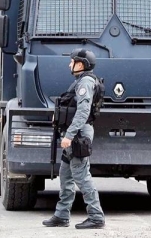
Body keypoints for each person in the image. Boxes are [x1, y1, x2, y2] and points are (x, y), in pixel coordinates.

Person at [43, 48, 105, 229]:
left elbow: (83, 111)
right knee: (66, 174)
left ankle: (96, 217)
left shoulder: (85, 82)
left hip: (78, 135)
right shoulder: (81, 81)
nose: (69, 64)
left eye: (72, 61)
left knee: (82, 176)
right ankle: (62, 215)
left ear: (81, 64)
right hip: (75, 134)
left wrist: (69, 135)